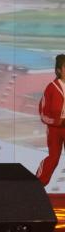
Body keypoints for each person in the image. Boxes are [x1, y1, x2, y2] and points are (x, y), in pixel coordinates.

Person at [36, 54, 65, 186]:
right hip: (55, 129)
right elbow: (43, 113)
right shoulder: (52, 87)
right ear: (59, 70)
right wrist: (56, 121)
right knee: (53, 159)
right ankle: (37, 185)